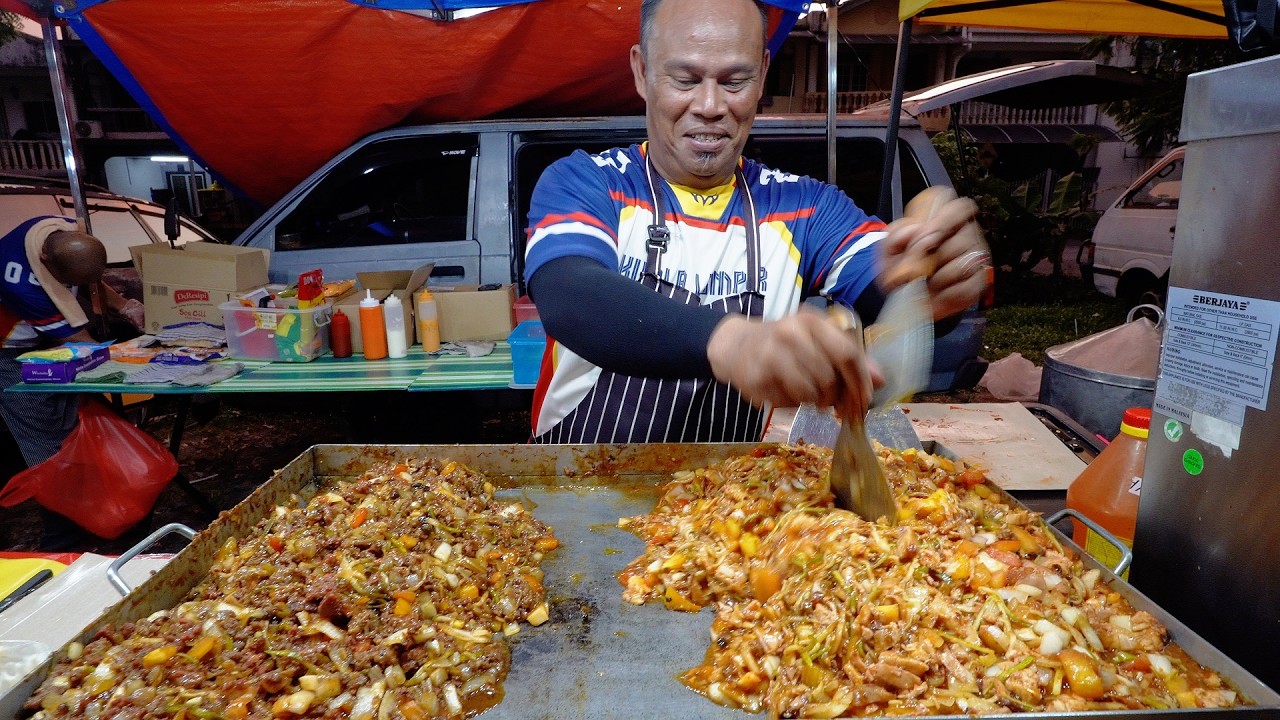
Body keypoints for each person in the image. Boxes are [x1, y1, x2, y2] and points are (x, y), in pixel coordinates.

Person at [523, 0, 991, 444]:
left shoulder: (806, 206)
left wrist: (926, 274)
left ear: (763, 74)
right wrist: (734, 343)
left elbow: (882, 279)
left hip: (729, 506)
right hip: (577, 491)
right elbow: (571, 294)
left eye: (734, 81)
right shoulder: (586, 182)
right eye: (685, 79)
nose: (710, 105)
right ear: (642, 72)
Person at [0, 215, 141, 548]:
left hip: (48, 346)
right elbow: (80, 345)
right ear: (48, 266)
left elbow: (88, 277)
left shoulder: (57, 231)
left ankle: (110, 520)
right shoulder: (18, 280)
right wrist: (146, 358)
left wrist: (125, 306)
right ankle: (62, 543)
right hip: (11, 354)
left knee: (92, 432)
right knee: (50, 452)